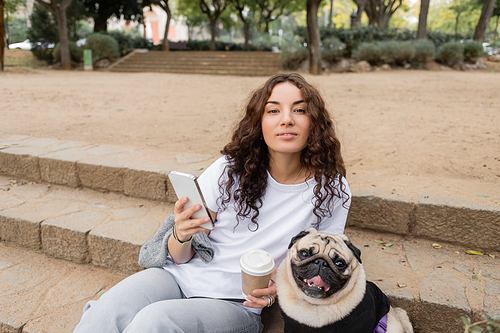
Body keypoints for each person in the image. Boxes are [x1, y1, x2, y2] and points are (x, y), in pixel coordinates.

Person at [73, 73, 351, 333]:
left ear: (314, 121)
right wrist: (180, 235)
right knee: (106, 310)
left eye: (299, 110)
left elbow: (327, 262)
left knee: (154, 322)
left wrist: (281, 287)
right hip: (177, 277)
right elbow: (183, 255)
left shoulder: (331, 189)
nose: (286, 120)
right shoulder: (228, 169)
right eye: (273, 110)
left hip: (233, 302)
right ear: (259, 121)